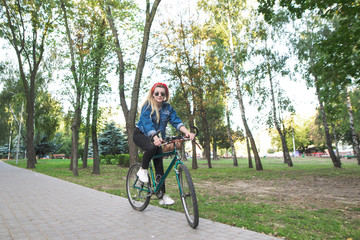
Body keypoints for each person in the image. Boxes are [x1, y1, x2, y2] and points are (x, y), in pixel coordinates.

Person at [133, 82, 195, 206]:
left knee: (159, 165)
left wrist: (187, 132)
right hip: (141, 134)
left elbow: (176, 122)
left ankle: (162, 196)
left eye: (162, 93)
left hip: (157, 138)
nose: (159, 95)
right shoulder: (147, 106)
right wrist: (155, 137)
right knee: (151, 147)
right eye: (157, 93)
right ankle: (142, 170)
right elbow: (147, 123)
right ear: (153, 94)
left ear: (165, 95)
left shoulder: (167, 108)